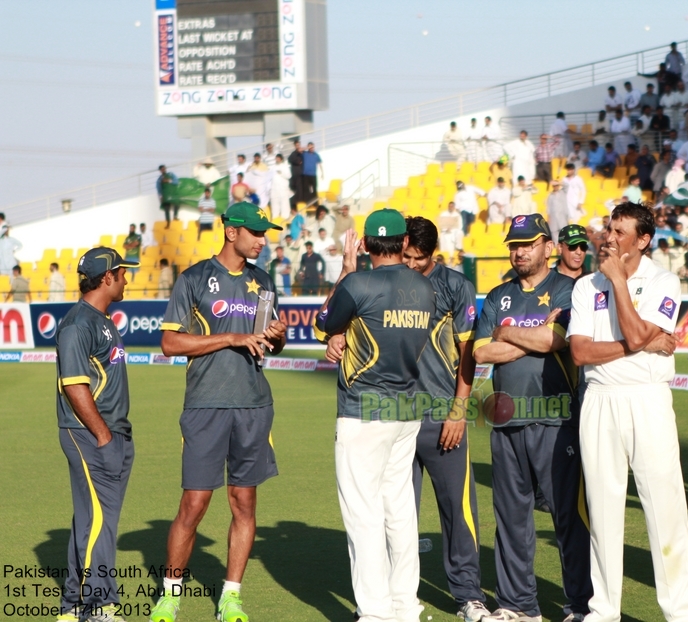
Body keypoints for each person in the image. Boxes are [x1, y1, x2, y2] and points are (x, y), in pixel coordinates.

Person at [149, 202, 287, 622]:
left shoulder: (263, 281)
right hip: (206, 404)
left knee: (244, 502)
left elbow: (267, 344)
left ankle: (231, 597)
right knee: (194, 503)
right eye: (256, 233)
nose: (263, 241)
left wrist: (276, 337)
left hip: (254, 404)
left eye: (266, 234)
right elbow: (170, 344)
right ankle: (170, 594)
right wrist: (229, 337)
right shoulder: (193, 279)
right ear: (232, 232)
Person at [568, 202, 688, 622]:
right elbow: (580, 351)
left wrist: (619, 285)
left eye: (620, 231)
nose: (609, 237)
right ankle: (603, 610)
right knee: (603, 508)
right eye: (608, 228)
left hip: (648, 397)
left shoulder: (664, 280)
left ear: (643, 240)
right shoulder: (585, 286)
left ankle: (681, 611)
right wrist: (641, 342)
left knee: (666, 507)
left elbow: (641, 330)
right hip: (600, 397)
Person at [313, 210, 435, 622]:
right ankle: (405, 605)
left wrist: (346, 272)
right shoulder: (424, 286)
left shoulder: (358, 282)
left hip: (364, 410)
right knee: (399, 511)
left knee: (363, 515)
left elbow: (323, 323)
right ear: (404, 243)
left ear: (364, 245)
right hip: (406, 409)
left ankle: (376, 612)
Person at [472, 213, 591, 622]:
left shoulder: (570, 289)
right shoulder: (498, 294)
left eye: (526, 243)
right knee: (510, 520)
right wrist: (535, 339)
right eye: (513, 245)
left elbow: (559, 339)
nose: (518, 251)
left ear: (547, 246)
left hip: (557, 420)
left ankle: (579, 605)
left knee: (568, 519)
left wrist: (507, 333)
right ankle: (517, 605)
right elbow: (480, 352)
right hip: (507, 421)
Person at [397, 217, 487, 622]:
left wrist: (459, 410)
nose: (409, 263)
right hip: (394, 417)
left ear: (431, 254)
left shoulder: (455, 286)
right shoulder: (388, 280)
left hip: (441, 416)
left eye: (416, 258)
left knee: (457, 510)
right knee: (397, 512)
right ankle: (398, 597)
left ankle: (469, 595)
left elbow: (468, 352)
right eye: (404, 255)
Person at [54, 247, 137, 622]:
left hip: (112, 433)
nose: (126, 278)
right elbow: (74, 385)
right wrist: (103, 435)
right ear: (107, 277)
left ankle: (73, 605)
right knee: (101, 520)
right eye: (122, 273)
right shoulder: (78, 324)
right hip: (88, 434)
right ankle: (98, 604)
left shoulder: (103, 319)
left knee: (91, 520)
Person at [270, 153, 293, 221]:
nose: (277, 160)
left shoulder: (285, 166)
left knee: (284, 202)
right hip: (274, 188)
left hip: (283, 188)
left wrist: (282, 173)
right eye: (276, 158)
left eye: (278, 158)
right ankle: (275, 217)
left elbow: (289, 176)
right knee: (275, 202)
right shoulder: (273, 167)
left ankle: (285, 216)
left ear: (281, 159)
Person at [288, 140, 305, 206]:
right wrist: (298, 161)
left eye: (299, 145)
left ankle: (302, 203)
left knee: (303, 190)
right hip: (296, 175)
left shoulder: (303, 153)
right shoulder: (293, 154)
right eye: (296, 145)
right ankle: (297, 204)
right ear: (295, 146)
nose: (298, 146)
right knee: (298, 190)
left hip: (303, 174)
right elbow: (290, 159)